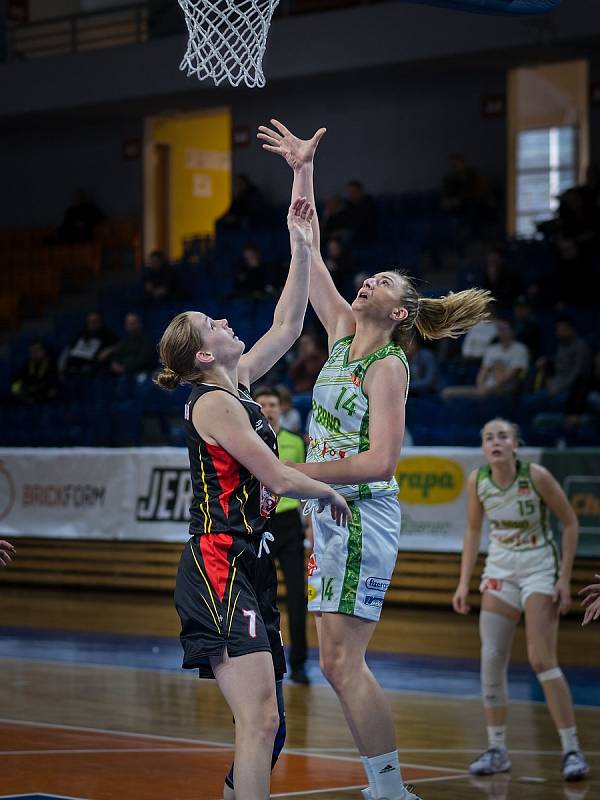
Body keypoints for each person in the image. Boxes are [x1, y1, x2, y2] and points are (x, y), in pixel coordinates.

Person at [258, 118, 490, 800]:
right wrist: (302, 170)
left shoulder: (389, 364)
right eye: (369, 277)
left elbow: (383, 462)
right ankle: (385, 786)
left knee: (341, 660)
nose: (366, 282)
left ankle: (390, 788)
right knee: (333, 662)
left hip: (360, 516)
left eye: (381, 282)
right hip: (329, 512)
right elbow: (309, 247)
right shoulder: (338, 332)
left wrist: (295, 475)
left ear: (400, 312)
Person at [155, 194, 350, 800]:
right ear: (204, 355)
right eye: (212, 323)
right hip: (219, 562)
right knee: (260, 721)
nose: (224, 320)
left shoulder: (235, 385)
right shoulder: (213, 402)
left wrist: (300, 241)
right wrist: (332, 492)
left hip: (251, 561)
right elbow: (279, 478)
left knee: (272, 727)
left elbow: (289, 326)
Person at [452, 418, 590, 782]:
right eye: (488, 437)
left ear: (515, 444)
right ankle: (497, 749)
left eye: (503, 436)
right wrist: (464, 583)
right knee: (491, 658)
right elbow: (471, 531)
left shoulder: (537, 476)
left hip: (538, 565)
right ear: (483, 447)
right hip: (500, 566)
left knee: (541, 658)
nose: (495, 442)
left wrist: (564, 578)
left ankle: (572, 749)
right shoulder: (477, 480)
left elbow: (571, 523)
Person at [254, 385, 310, 684]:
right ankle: (267, 663)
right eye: (262, 404)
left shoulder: (294, 441)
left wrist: (310, 525)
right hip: (262, 524)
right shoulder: (248, 441)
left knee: (298, 597)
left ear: (281, 408)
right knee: (264, 596)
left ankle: (299, 662)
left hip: (289, 523)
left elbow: (303, 484)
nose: (268, 408)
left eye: (273, 403)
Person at [442, 320, 529, 399]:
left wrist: (489, 389)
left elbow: (511, 375)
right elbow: (483, 372)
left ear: (512, 330)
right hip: (485, 389)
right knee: (447, 393)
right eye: (499, 329)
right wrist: (481, 387)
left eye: (505, 329)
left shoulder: (520, 349)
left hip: (505, 388)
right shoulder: (492, 349)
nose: (502, 331)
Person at [59, 312, 117, 378]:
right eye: (90, 321)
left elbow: (118, 346)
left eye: (95, 321)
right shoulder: (81, 334)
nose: (92, 324)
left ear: (100, 322)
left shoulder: (107, 334)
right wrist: (61, 366)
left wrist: (108, 350)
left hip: (92, 364)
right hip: (75, 362)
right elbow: (68, 348)